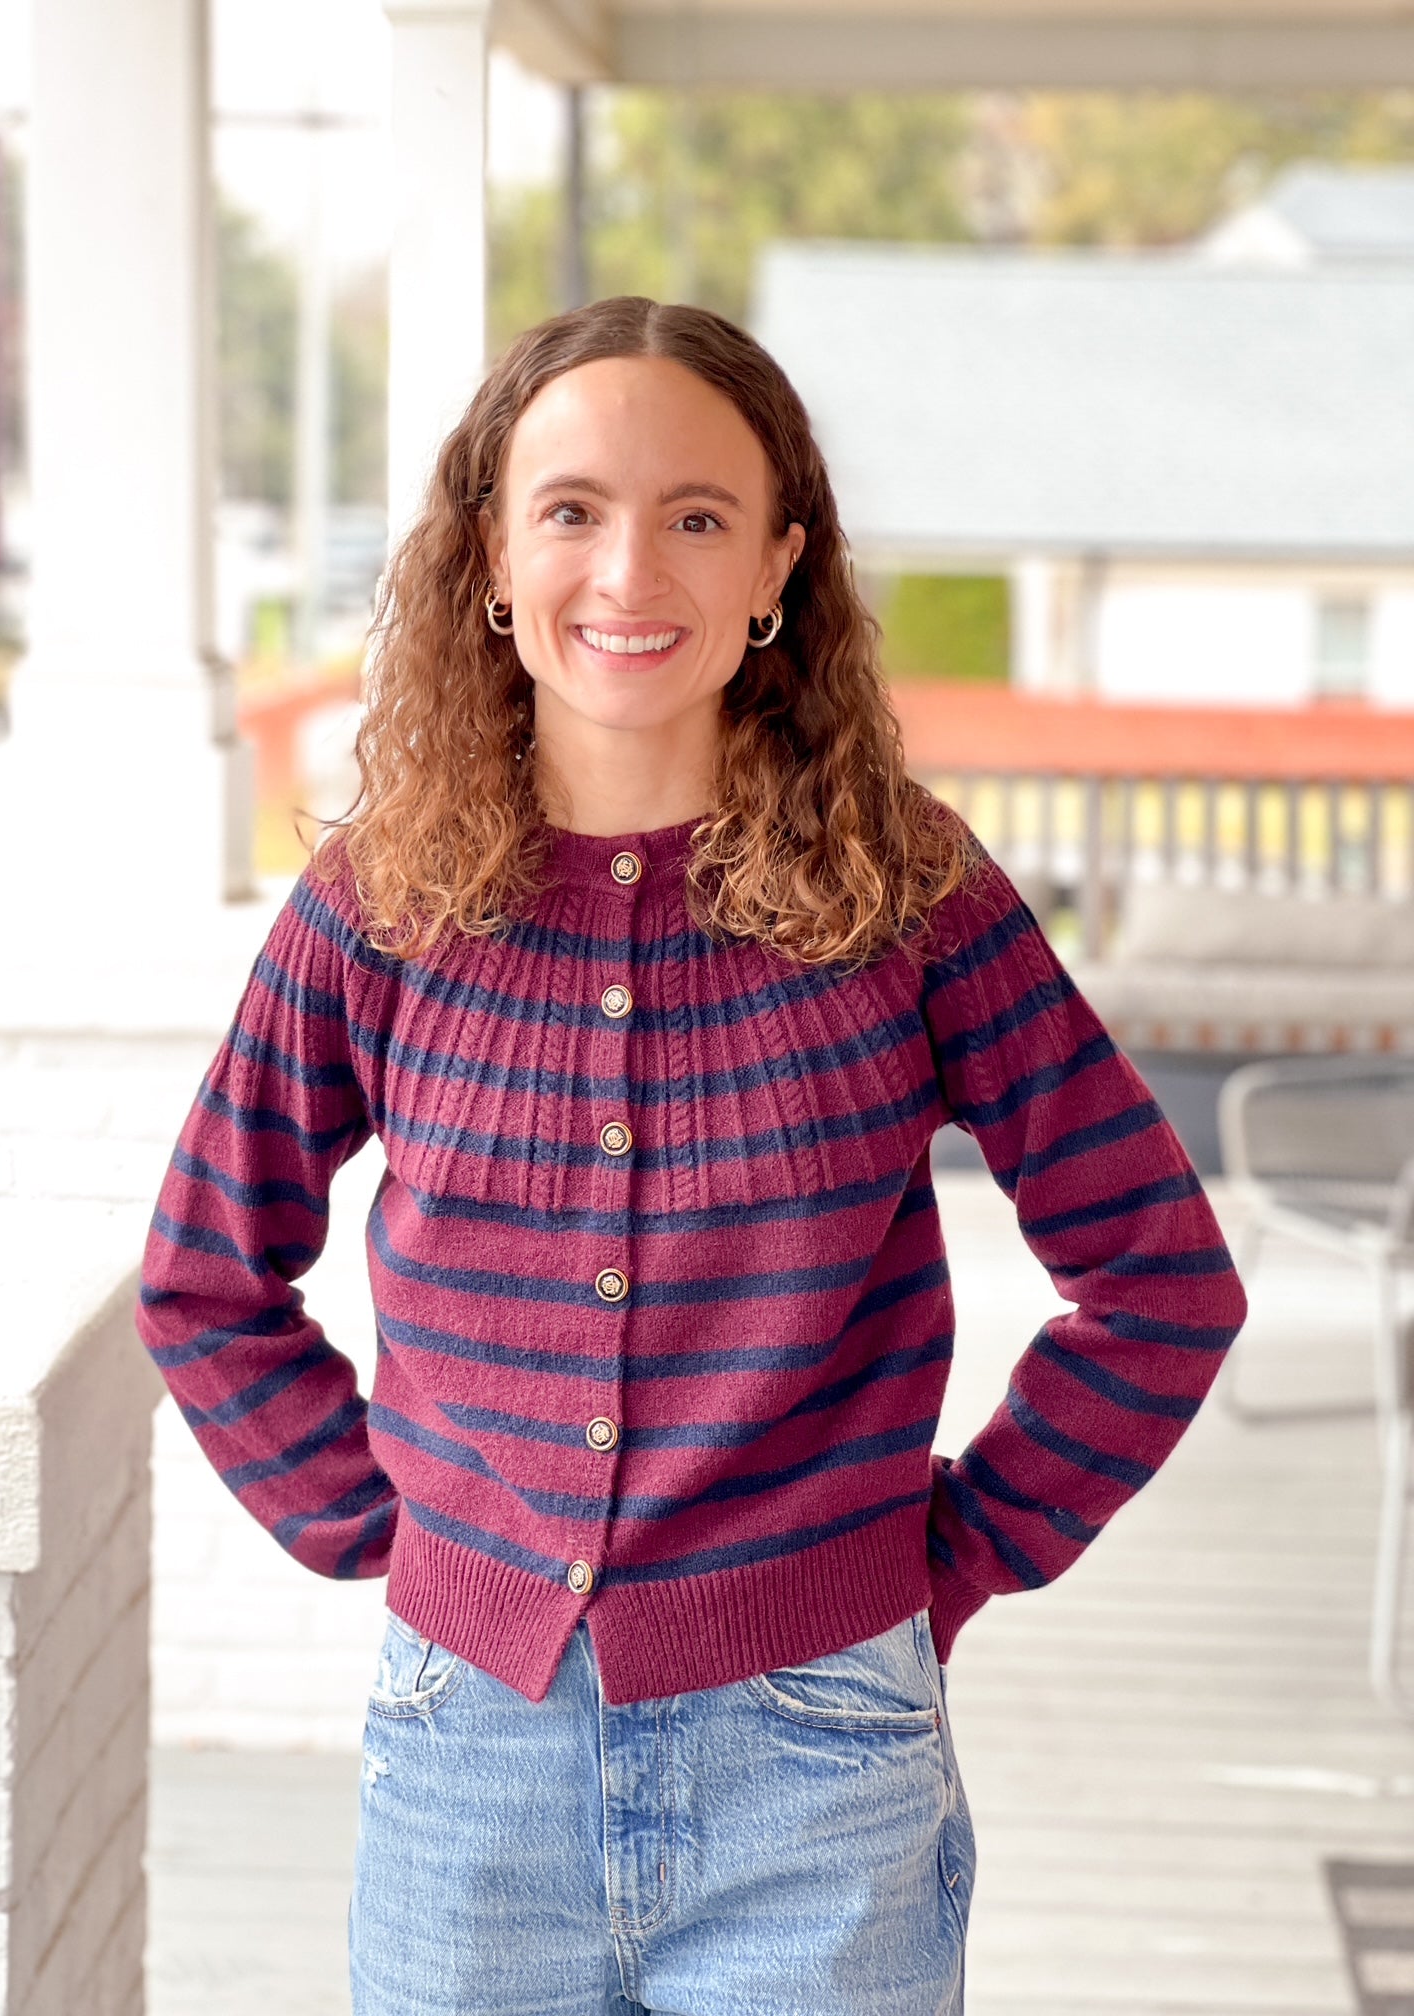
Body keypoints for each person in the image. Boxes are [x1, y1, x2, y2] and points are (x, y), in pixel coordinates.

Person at [136, 295, 1248, 2016]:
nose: (630, 571)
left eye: (699, 517)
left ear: (778, 566)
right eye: (572, 509)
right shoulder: (380, 906)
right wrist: (401, 1539)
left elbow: (1162, 1280)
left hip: (823, 1758)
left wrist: (955, 1556)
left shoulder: (912, 896)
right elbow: (208, 1276)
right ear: (494, 559)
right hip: (466, 1766)